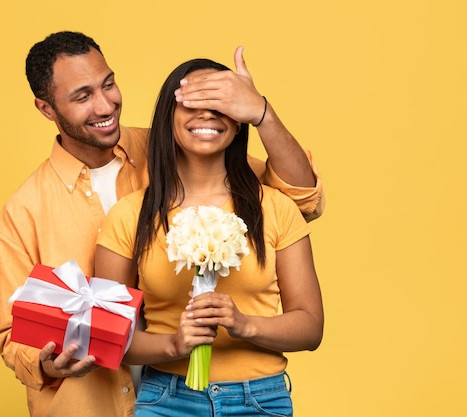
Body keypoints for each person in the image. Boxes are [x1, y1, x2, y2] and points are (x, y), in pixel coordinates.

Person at [0, 31, 324, 417]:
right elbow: (11, 334)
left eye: (109, 84)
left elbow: (299, 196)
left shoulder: (180, 145)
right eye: (83, 97)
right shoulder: (25, 210)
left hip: (237, 392)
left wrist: (260, 111)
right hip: (99, 403)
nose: (105, 105)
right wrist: (48, 364)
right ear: (47, 109)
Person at [94, 58, 324, 416]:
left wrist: (244, 324)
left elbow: (310, 326)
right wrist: (174, 344)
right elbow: (107, 335)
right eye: (191, 103)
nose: (206, 115)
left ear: (238, 121)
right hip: (166, 400)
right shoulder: (129, 215)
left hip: (260, 401)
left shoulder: (276, 208)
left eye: (220, 104)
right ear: (168, 115)